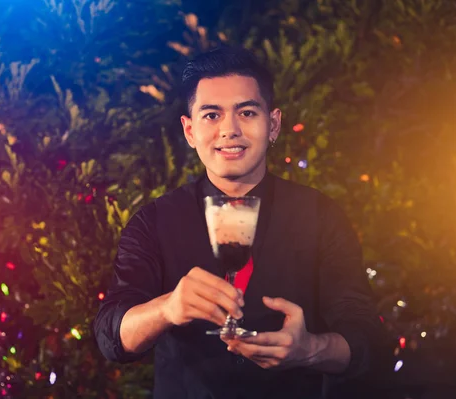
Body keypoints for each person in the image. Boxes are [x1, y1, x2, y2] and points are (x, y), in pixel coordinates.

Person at [94, 45, 387, 398]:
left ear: (273, 124)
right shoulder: (154, 221)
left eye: (247, 112)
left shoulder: (320, 216)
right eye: (211, 115)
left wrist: (309, 349)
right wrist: (168, 308)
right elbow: (112, 336)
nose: (229, 130)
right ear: (189, 131)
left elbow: (370, 340)